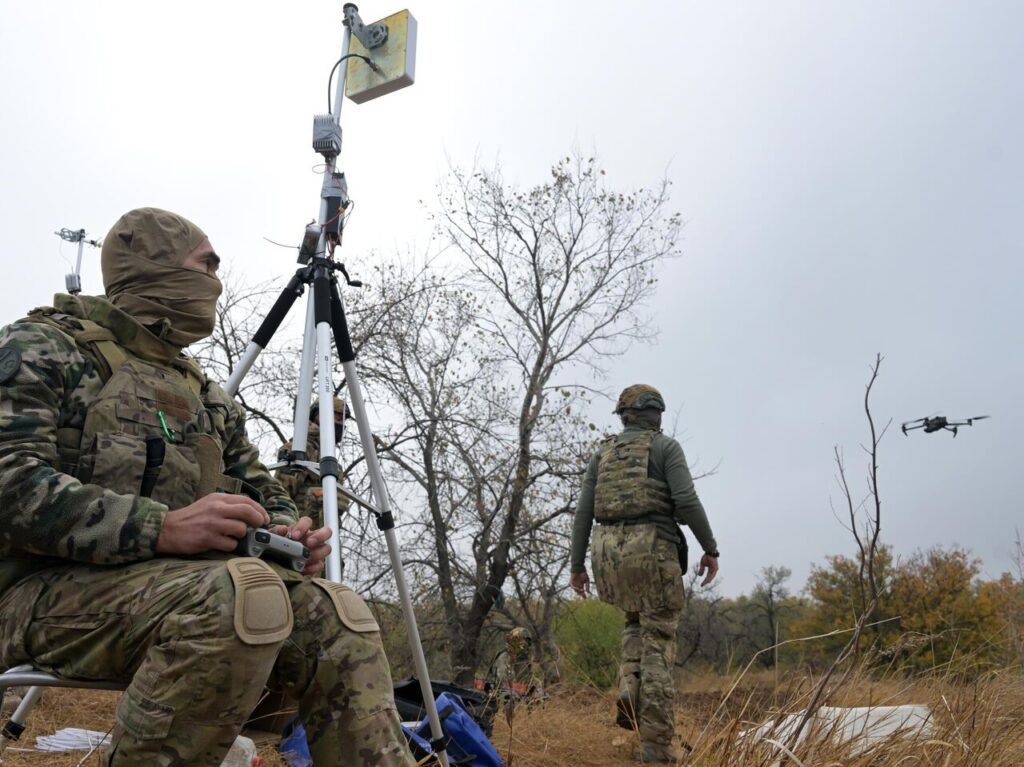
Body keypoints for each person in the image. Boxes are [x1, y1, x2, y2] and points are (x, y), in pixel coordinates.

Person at [0, 208, 415, 767]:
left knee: (338, 614)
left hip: (168, 594)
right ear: (153, 266)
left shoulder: (204, 394)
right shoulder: (43, 348)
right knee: (238, 596)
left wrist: (287, 531)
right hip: (29, 594)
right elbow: (11, 484)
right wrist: (163, 528)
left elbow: (261, 489)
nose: (215, 283)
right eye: (206, 266)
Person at [568, 384, 720, 765]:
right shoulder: (665, 448)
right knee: (659, 642)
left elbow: (584, 512)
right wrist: (710, 547)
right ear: (655, 414)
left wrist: (576, 566)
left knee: (633, 626)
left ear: (624, 416)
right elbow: (685, 499)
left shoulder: (602, 453)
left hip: (608, 555)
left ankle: (628, 686)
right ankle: (656, 745)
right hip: (652, 550)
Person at [275, 397, 350, 529]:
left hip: (322, 538)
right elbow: (279, 494)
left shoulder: (330, 457)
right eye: (337, 419)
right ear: (318, 416)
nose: (340, 424)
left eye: (342, 420)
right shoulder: (301, 448)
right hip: (296, 533)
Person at [489, 627, 543, 699]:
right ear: (516, 641)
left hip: (519, 696)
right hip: (501, 697)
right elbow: (502, 683)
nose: (527, 645)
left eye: (527, 642)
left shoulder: (522, 660)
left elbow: (529, 680)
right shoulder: (504, 658)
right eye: (524, 641)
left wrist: (535, 690)